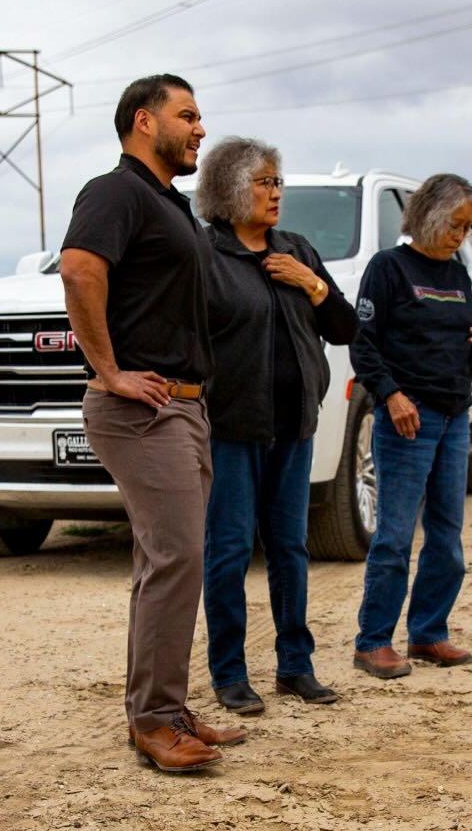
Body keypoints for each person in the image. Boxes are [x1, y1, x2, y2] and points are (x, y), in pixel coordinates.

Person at [60, 74, 246, 773]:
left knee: (163, 563)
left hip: (184, 405)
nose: (201, 128)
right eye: (188, 115)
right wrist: (109, 372)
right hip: (143, 409)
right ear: (144, 121)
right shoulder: (116, 192)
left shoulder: (169, 203)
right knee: (177, 559)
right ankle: (154, 720)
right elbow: (80, 271)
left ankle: (164, 706)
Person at [195, 136, 357, 714]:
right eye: (263, 182)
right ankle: (230, 674)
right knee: (230, 551)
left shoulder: (297, 250)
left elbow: (343, 328)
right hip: (231, 430)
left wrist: (310, 284)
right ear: (230, 189)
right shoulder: (206, 255)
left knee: (290, 548)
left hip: (294, 428)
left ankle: (296, 666)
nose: (275, 192)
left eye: (277, 181)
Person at [350, 173, 472, 679]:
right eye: (456, 225)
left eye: (468, 228)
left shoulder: (457, 274)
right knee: (393, 536)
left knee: (447, 535)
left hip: (455, 415)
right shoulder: (388, 268)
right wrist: (390, 396)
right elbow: (363, 344)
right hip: (406, 420)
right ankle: (373, 641)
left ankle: (428, 633)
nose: (462, 236)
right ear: (430, 216)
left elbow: (459, 339)